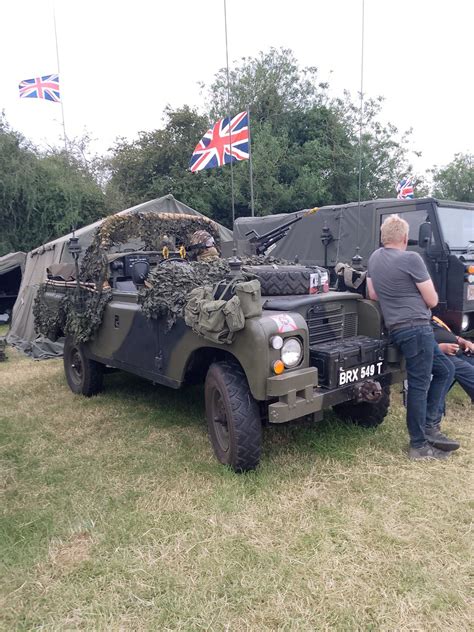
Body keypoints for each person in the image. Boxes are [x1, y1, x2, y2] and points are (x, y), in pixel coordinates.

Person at [367, 214, 457, 460]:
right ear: (405, 238)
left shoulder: (374, 258)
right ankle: (418, 445)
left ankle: (430, 426)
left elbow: (373, 293)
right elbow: (432, 300)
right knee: (419, 385)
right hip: (417, 328)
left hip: (398, 329)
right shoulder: (411, 258)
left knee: (446, 370)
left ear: (384, 237)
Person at [432, 316, 474, 403]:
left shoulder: (433, 318)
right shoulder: (415, 321)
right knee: (470, 372)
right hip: (440, 355)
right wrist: (439, 348)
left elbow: (451, 335)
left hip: (459, 351)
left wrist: (465, 342)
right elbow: (417, 344)